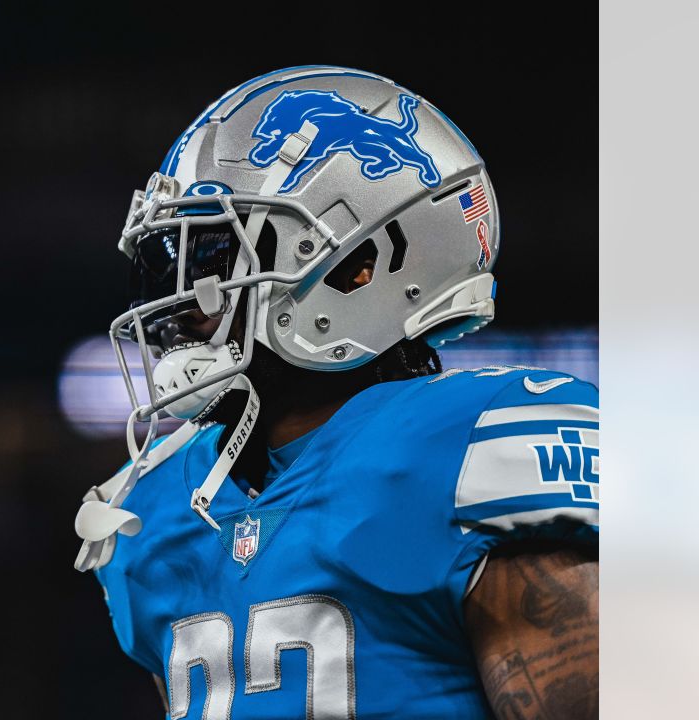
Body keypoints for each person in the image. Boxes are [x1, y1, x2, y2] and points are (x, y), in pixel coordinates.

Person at [72, 67, 598, 719]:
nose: (175, 310)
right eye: (166, 266)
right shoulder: (156, 508)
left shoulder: (460, 454)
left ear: (360, 264)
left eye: (211, 262)